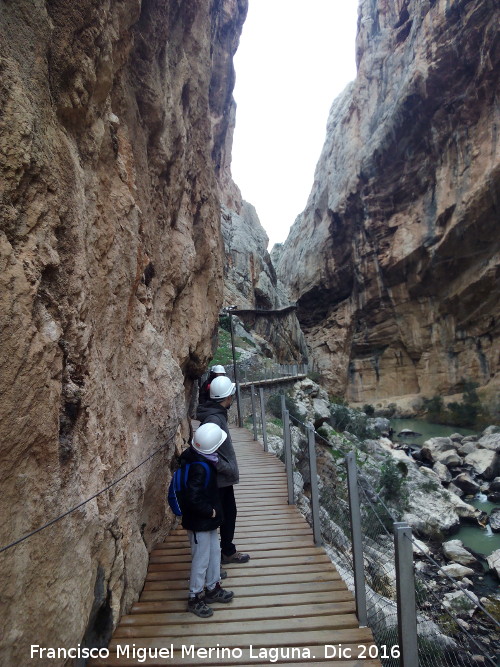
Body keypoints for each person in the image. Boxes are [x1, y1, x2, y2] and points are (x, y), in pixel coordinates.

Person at [178, 422, 235, 617]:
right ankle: (195, 596)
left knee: (214, 552)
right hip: (199, 522)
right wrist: (209, 511)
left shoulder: (201, 459)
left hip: (207, 521)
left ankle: (213, 587)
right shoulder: (200, 467)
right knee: (201, 559)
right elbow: (191, 497)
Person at [196, 376, 250, 564]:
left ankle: (225, 551)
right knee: (223, 516)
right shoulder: (214, 419)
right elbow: (205, 451)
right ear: (227, 398)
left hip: (221, 478)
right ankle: (219, 557)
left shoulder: (215, 415)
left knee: (227, 514)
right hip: (219, 479)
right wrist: (226, 468)